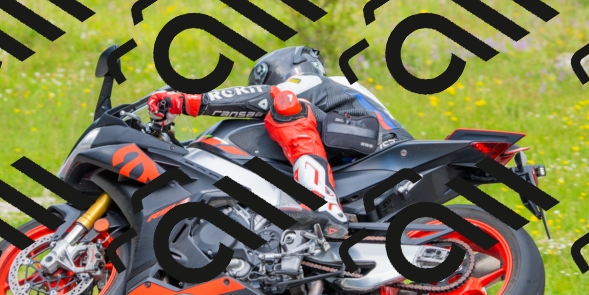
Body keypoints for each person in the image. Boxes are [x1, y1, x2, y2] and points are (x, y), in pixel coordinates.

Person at [148, 46, 412, 238]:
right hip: (379, 151)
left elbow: (271, 97)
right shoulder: (344, 91)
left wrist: (186, 101)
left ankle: (323, 206)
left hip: (376, 148)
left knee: (285, 106)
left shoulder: (312, 82)